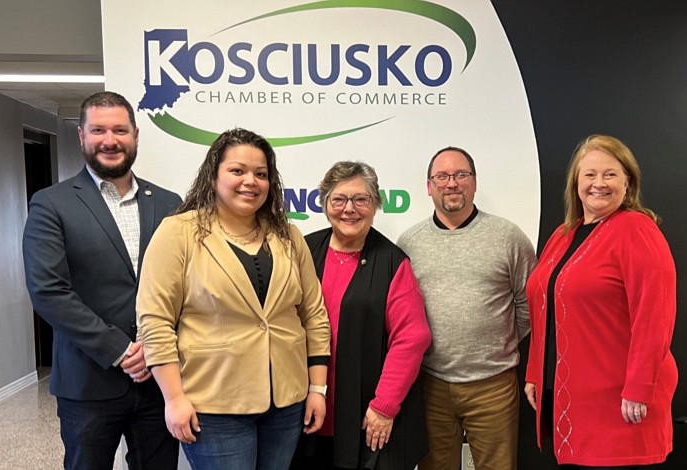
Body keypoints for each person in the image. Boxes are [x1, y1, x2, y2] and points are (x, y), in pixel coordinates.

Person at [135, 128, 331, 469]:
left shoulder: (288, 234)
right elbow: (155, 320)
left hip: (286, 402)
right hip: (213, 405)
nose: (250, 182)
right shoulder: (179, 232)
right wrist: (174, 398)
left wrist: (318, 388)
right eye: (237, 171)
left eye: (261, 174)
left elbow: (314, 314)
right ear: (213, 176)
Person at [22, 91, 181, 469]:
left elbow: (185, 286)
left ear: (136, 136)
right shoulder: (51, 203)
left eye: (120, 130)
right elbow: (49, 290)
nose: (110, 140)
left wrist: (152, 347)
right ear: (81, 136)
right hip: (88, 383)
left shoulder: (169, 203)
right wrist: (122, 350)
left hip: (160, 379)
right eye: (98, 130)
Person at [523, 135, 677, 469]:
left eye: (610, 174)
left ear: (628, 182)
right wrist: (536, 371)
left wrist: (639, 387)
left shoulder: (637, 231)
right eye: (589, 175)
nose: (599, 184)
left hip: (620, 402)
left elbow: (655, 317)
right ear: (575, 182)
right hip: (574, 401)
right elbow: (543, 307)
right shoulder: (563, 235)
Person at [398, 146, 536, 470]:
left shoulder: (508, 237)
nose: (452, 183)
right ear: (429, 186)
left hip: (494, 386)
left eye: (461, 175)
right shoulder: (409, 243)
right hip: (430, 384)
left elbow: (528, 303)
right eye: (442, 176)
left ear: (474, 182)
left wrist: (495, 346)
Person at [290, 161, 431, 470]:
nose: (349, 209)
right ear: (325, 204)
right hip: (304, 410)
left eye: (360, 199)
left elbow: (411, 338)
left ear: (375, 204)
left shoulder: (393, 262)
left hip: (368, 417)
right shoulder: (302, 250)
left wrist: (384, 407)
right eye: (339, 199)